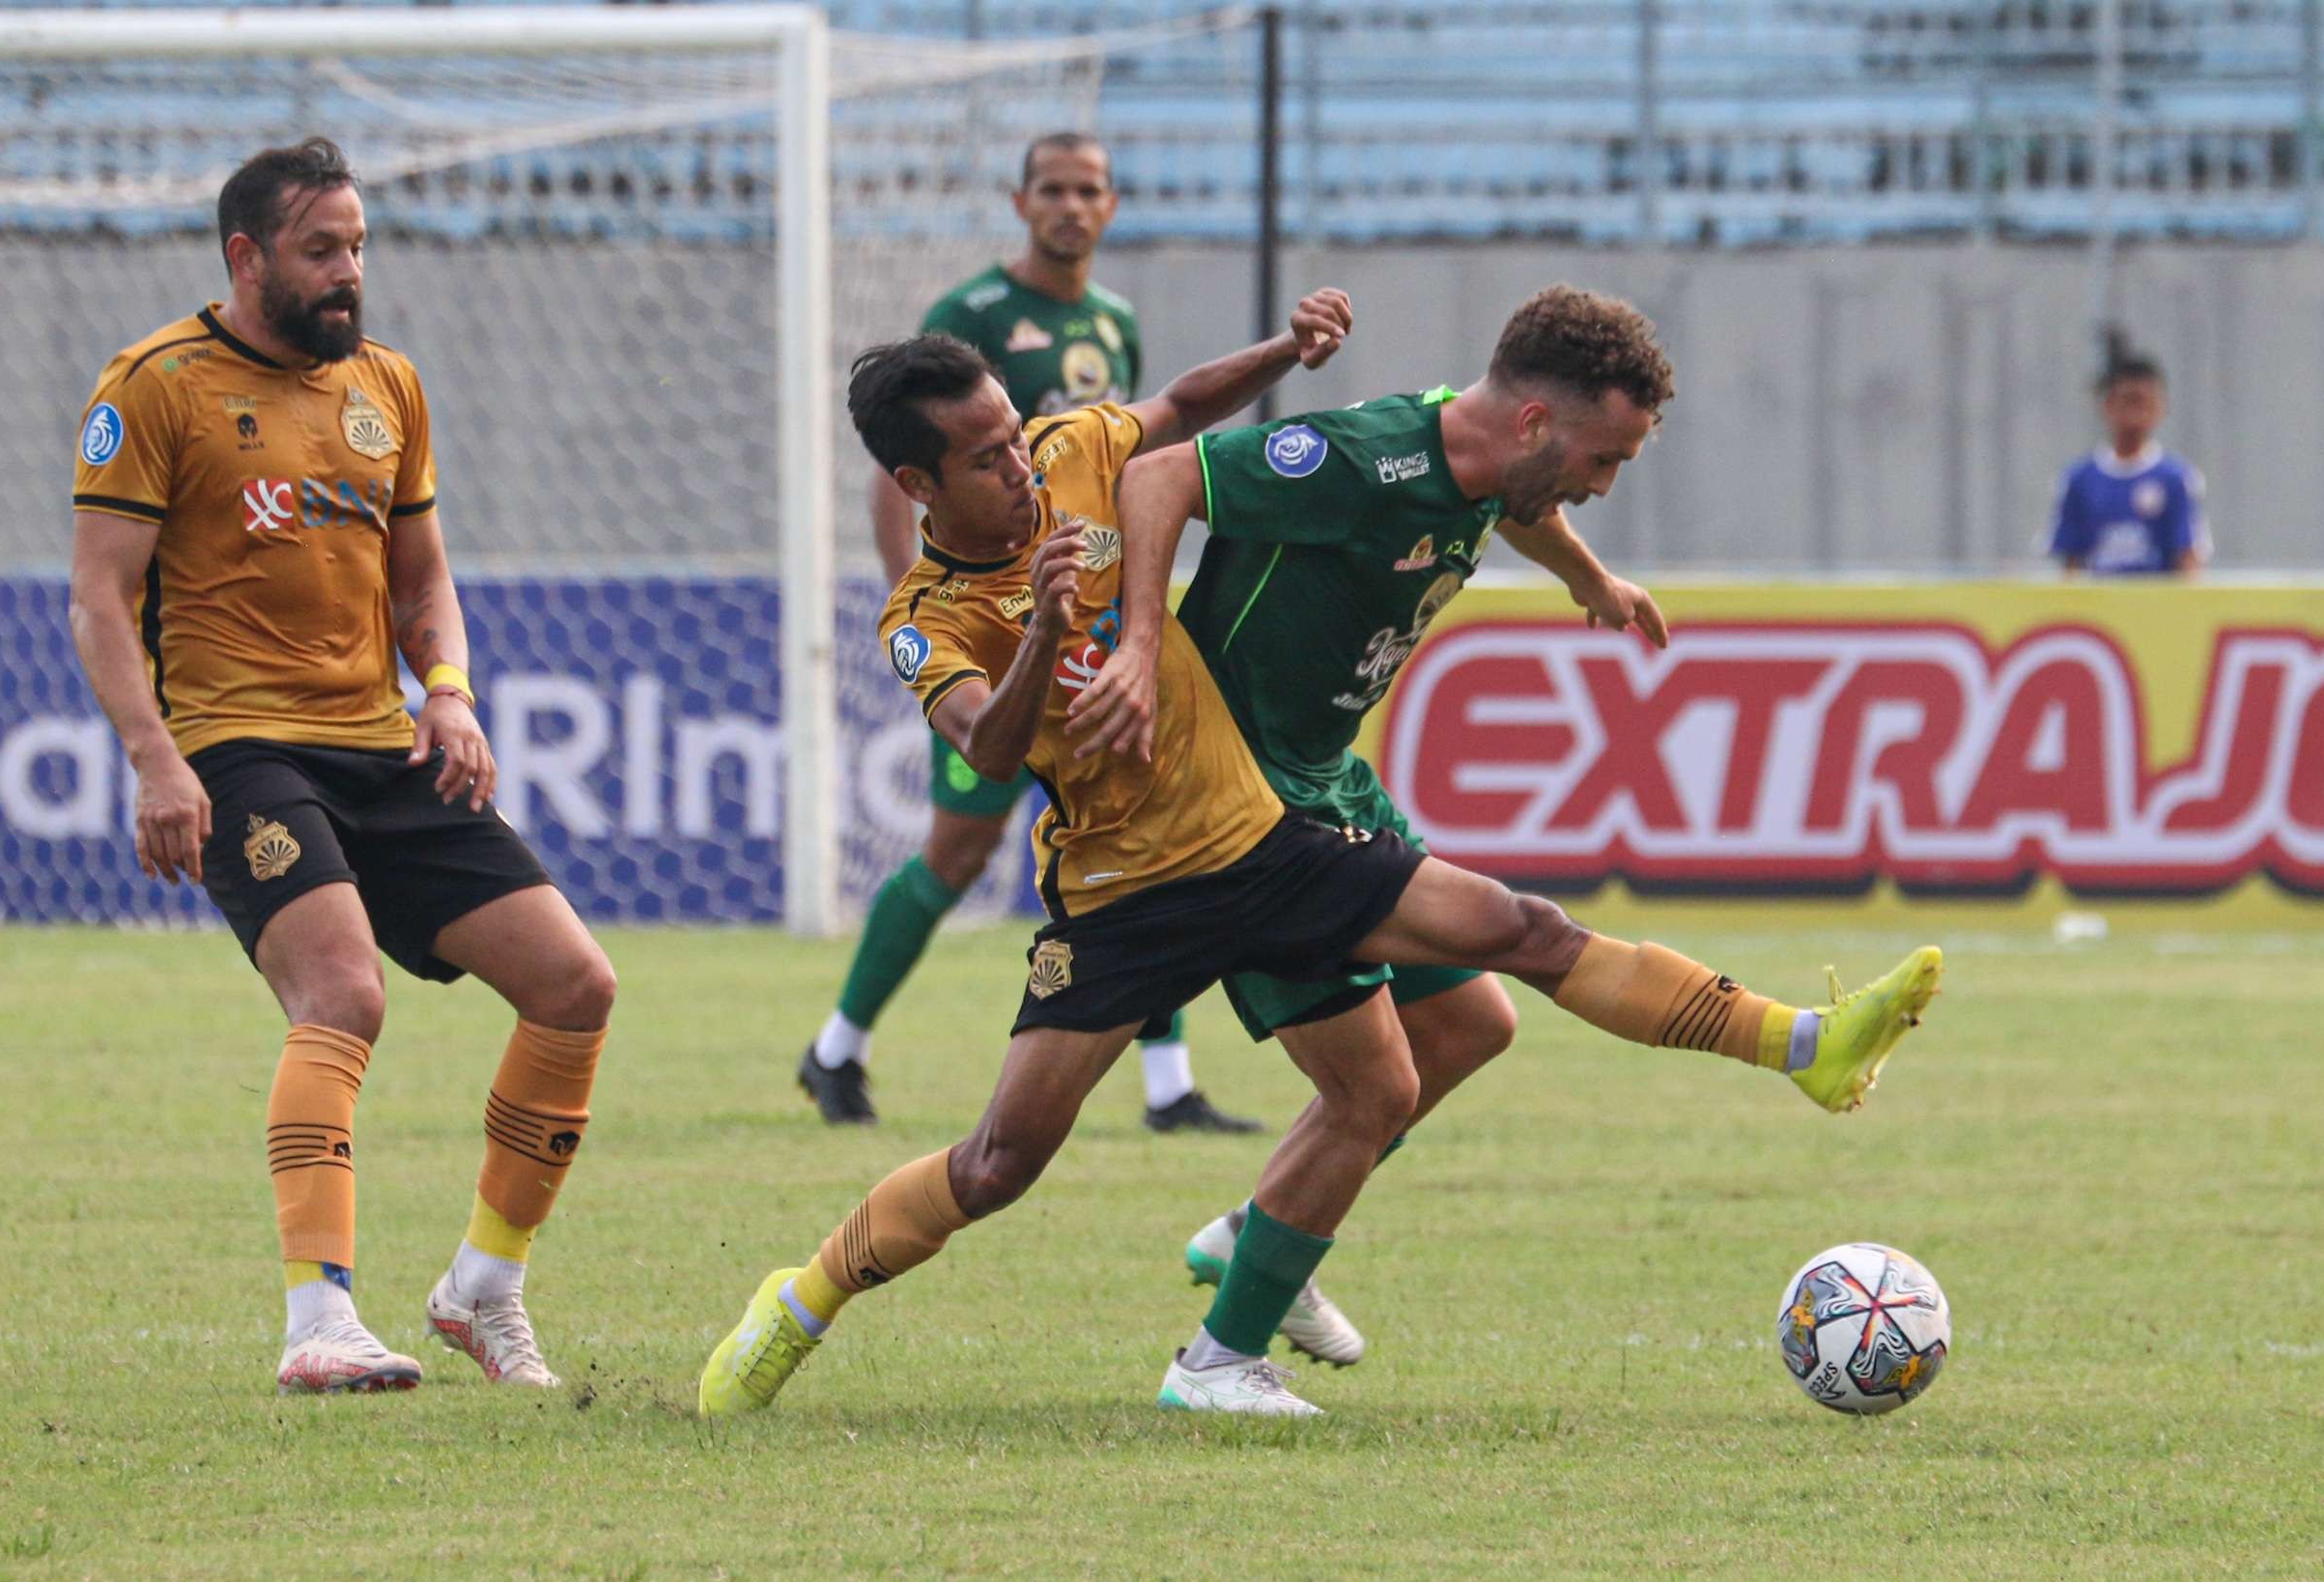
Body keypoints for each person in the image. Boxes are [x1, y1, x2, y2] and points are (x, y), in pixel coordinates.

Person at [694, 330, 1942, 1421]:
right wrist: (1049, 625)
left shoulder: (1070, 453)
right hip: (1119, 889)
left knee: (1502, 952)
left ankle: (1798, 1043)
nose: (1016, 466)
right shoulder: (924, 612)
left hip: (1261, 837)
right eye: (981, 459)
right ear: (916, 482)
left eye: (1012, 438)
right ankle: (798, 1301)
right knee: (995, 1166)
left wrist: (1282, 357)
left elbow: (1170, 419)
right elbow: (984, 741)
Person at [66, 138, 616, 1396]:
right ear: (246, 255)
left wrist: (451, 692)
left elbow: (423, 575)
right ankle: (318, 1318)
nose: (349, 272)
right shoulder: (152, 385)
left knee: (576, 984)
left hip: (381, 745)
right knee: (342, 995)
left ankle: (483, 1286)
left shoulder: (387, 384)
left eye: (359, 246)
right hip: (237, 746)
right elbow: (101, 596)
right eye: (323, 250)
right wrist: (155, 762)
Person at [1082, 284, 1678, 1370]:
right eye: (1605, 459)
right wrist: (1135, 643)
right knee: (1374, 1087)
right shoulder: (1362, 461)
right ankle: (1220, 1358)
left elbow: (1514, 507)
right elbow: (1160, 471)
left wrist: (1592, 583)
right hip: (1242, 804)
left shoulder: (1482, 463)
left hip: (1326, 780)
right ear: (1536, 422)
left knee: (1470, 1027)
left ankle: (1258, 1238)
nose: (1601, 484)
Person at [796, 131, 1256, 1135]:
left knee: (1134, 807)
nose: (1070, 207)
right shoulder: (972, 317)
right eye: (1051, 188)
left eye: (1088, 189)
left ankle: (1167, 1081)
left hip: (1076, 610)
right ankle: (838, 1043)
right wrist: (925, 610)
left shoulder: (1111, 321)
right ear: (1020, 201)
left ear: (1112, 204)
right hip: (991, 638)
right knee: (959, 853)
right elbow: (904, 465)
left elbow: (1138, 455)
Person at [2046, 343, 2211, 577]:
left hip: (2155, 608)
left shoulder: (2176, 478)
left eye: (2144, 402)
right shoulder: (2079, 479)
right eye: (2128, 401)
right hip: (2100, 607)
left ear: (2160, 408)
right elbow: (2071, 562)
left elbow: (2189, 558)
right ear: (2107, 406)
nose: (2136, 413)